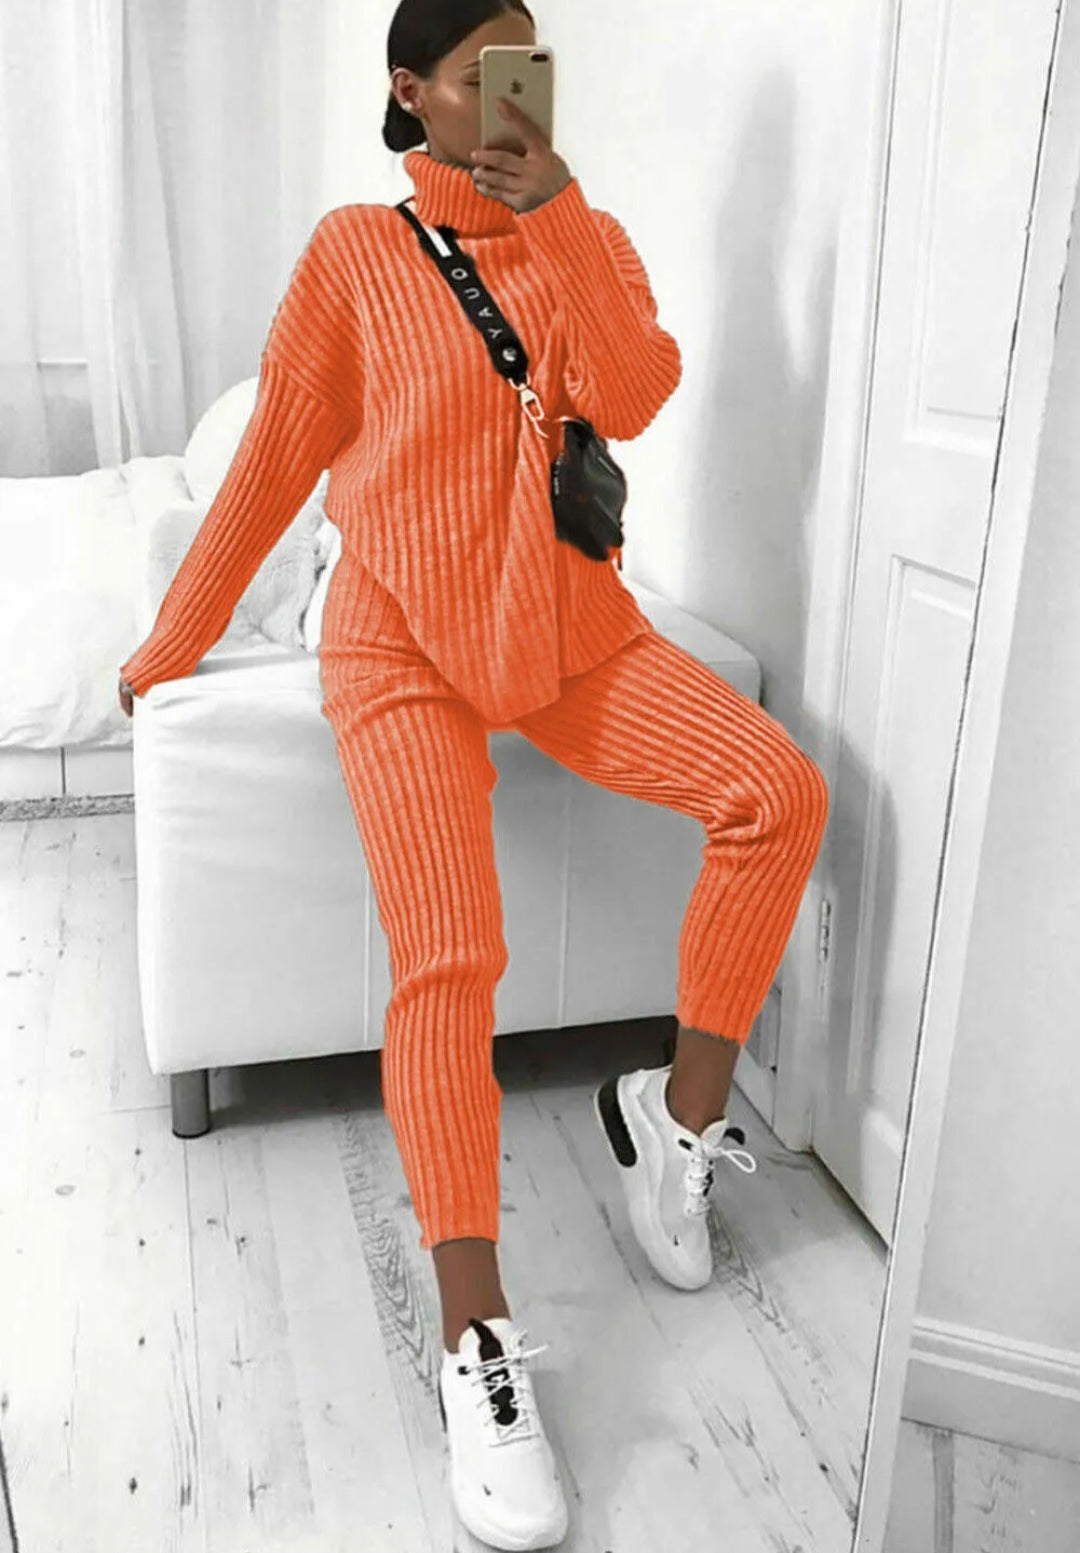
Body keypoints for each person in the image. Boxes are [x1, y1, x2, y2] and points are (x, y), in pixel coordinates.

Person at [119, 2, 829, 1545]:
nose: (515, 95)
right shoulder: (353, 258)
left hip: (563, 627)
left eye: (532, 68)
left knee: (779, 791)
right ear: (413, 91)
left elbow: (633, 392)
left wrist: (555, 212)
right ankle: (475, 1336)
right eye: (482, 72)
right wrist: (174, 635)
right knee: (451, 957)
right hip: (395, 642)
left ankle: (673, 1118)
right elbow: (277, 462)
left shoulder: (584, 231)